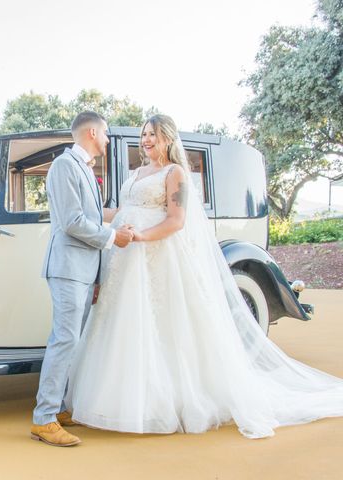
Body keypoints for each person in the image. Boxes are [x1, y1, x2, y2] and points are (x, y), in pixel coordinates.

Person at [65, 114, 343, 439]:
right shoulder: (137, 173)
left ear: (167, 137)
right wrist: (88, 214)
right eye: (144, 135)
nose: (146, 140)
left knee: (161, 327)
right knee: (123, 325)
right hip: (125, 260)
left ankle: (162, 404)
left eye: (152, 134)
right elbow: (121, 211)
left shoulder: (175, 173)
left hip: (154, 257)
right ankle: (117, 399)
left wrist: (139, 237)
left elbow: (176, 220)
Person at [31, 111, 134, 447]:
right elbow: (72, 222)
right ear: (92, 132)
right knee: (63, 340)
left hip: (85, 271)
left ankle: (58, 408)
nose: (107, 139)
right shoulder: (64, 166)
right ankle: (44, 420)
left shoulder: (86, 170)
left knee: (72, 341)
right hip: (68, 269)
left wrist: (128, 214)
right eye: (105, 133)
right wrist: (113, 237)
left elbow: (92, 215)